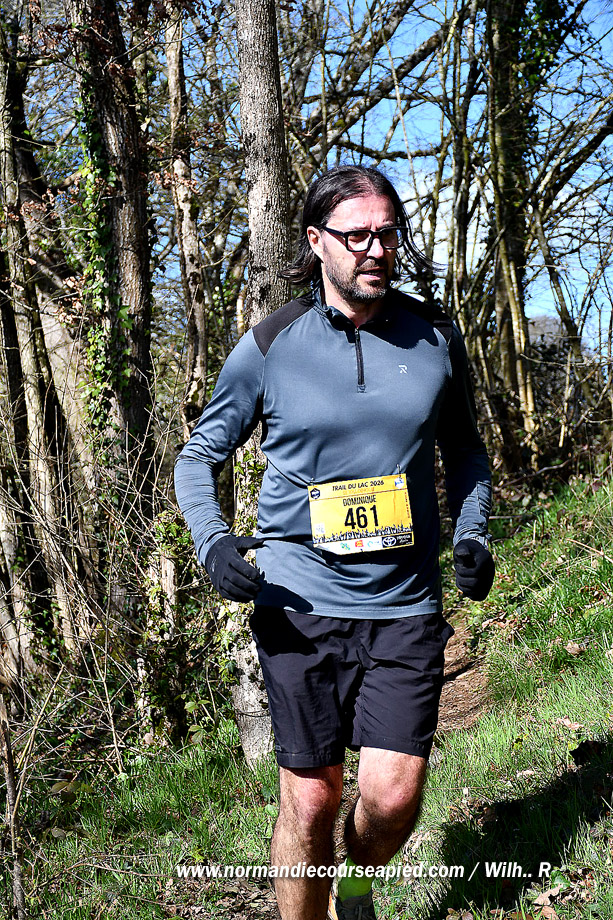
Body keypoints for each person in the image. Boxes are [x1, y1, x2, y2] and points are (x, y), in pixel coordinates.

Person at [174, 165, 494, 920]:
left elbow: (466, 452)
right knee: (312, 799)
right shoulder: (270, 344)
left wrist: (472, 533)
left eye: (387, 233)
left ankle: (356, 885)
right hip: (298, 600)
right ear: (317, 241)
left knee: (392, 800)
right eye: (357, 236)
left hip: (404, 602)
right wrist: (212, 544)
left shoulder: (435, 336)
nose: (376, 249)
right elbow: (198, 456)